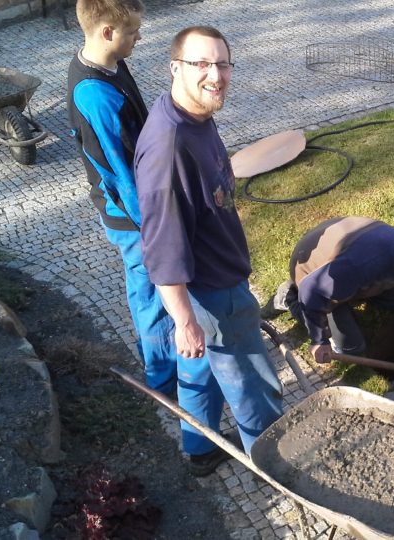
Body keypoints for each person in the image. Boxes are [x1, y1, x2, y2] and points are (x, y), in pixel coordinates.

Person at [133, 26, 283, 477]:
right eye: (202, 64)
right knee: (253, 384)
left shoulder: (194, 113)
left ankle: (199, 450)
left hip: (210, 279)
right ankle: (279, 466)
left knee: (198, 370)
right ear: (175, 67)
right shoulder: (170, 148)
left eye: (222, 64)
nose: (215, 75)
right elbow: (161, 249)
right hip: (213, 290)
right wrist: (184, 320)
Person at [67, 0, 178, 394]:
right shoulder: (95, 94)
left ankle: (155, 357)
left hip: (136, 209)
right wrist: (154, 224)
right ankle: (164, 379)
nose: (139, 37)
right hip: (133, 216)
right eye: (132, 31)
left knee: (141, 287)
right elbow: (120, 172)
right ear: (107, 32)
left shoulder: (109, 63)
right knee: (153, 292)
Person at [274, 216, 394, 380]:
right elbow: (311, 290)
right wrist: (318, 340)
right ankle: (289, 296)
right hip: (313, 273)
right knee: (351, 348)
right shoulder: (359, 266)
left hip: (344, 249)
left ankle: (352, 293)